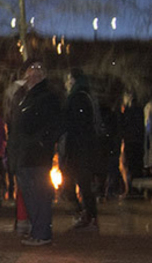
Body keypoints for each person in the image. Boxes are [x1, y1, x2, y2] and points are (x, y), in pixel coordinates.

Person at [8, 62, 62, 247]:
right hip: (25, 154)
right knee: (32, 194)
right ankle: (38, 230)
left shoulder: (46, 97)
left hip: (35, 155)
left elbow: (55, 125)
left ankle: (42, 232)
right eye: (30, 74)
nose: (32, 78)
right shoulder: (27, 96)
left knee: (38, 193)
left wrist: (41, 142)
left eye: (36, 74)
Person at [61, 68, 100, 231]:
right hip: (85, 147)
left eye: (70, 79)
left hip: (79, 148)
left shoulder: (78, 98)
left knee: (77, 182)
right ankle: (87, 215)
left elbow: (75, 124)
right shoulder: (87, 96)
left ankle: (87, 216)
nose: (67, 83)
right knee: (81, 183)